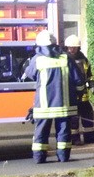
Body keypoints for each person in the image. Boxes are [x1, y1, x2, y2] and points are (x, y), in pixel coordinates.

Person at [22, 30, 85, 164]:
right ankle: (63, 157)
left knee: (41, 132)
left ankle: (39, 158)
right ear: (55, 44)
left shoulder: (37, 59)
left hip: (43, 106)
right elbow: (79, 80)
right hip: (64, 106)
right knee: (63, 132)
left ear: (39, 45)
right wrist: (78, 96)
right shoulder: (66, 58)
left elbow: (30, 74)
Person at [64, 34, 94, 145]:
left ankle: (90, 138)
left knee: (88, 116)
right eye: (69, 47)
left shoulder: (84, 59)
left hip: (84, 95)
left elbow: (89, 76)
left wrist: (92, 85)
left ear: (78, 47)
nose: (71, 49)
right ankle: (75, 139)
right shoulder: (65, 60)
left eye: (74, 47)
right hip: (71, 95)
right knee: (73, 119)